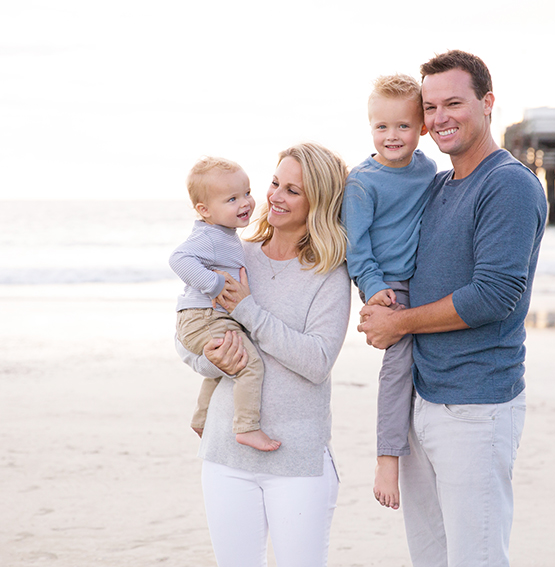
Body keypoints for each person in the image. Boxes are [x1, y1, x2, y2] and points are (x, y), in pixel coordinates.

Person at [357, 51, 548, 567]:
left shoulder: (506, 183)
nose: (441, 117)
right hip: (424, 399)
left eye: (454, 103)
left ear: (487, 104)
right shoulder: (439, 185)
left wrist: (398, 322)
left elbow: (494, 294)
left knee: (477, 558)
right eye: (431, 106)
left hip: (476, 406)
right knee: (431, 558)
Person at [176, 143, 351, 567]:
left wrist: (247, 310)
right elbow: (188, 337)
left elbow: (317, 361)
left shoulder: (329, 273)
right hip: (225, 455)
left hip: (297, 460)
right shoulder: (233, 253)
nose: (274, 196)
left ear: (318, 203)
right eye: (275, 183)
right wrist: (211, 358)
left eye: (293, 190)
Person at [342, 74, 437, 510]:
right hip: (389, 284)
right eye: (381, 127)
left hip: (427, 276)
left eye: (402, 126)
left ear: (421, 127)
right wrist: (376, 290)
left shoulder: (427, 169)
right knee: (398, 366)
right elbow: (356, 249)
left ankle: (424, 427)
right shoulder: (362, 183)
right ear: (370, 127)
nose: (392, 136)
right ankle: (386, 458)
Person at [169, 156, 280, 452]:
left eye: (246, 193)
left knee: (226, 362)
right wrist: (215, 284)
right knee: (249, 364)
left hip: (208, 316)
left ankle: (202, 418)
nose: (244, 203)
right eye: (231, 199)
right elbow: (178, 259)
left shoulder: (224, 235)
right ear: (204, 210)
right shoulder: (210, 236)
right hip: (204, 317)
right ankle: (247, 427)